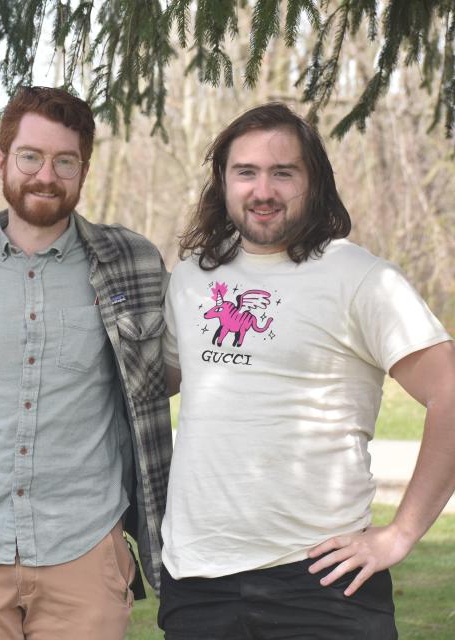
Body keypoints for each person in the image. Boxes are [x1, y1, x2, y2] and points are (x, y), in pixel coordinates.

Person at [159, 102, 455, 639]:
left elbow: (450, 392)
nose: (262, 190)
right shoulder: (190, 280)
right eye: (245, 172)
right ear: (222, 181)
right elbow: (157, 383)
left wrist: (401, 534)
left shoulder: (361, 278)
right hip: (196, 580)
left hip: (321, 582)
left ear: (313, 181)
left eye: (283, 173)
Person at [0, 86, 173, 639]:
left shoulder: (132, 263)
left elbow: (183, 360)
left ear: (83, 169)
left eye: (64, 161)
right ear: (3, 161)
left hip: (83, 549)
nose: (45, 175)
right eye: (30, 156)